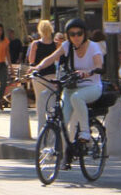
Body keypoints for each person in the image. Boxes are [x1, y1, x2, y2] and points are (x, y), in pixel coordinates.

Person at [33, 18, 105, 149]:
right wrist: (37, 67)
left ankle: (85, 132)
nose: (76, 37)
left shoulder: (94, 47)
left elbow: (98, 66)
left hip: (92, 86)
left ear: (84, 34)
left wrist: (87, 73)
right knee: (62, 120)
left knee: (77, 98)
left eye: (79, 33)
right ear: (68, 35)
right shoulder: (67, 46)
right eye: (72, 34)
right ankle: (61, 152)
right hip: (71, 87)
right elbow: (51, 58)